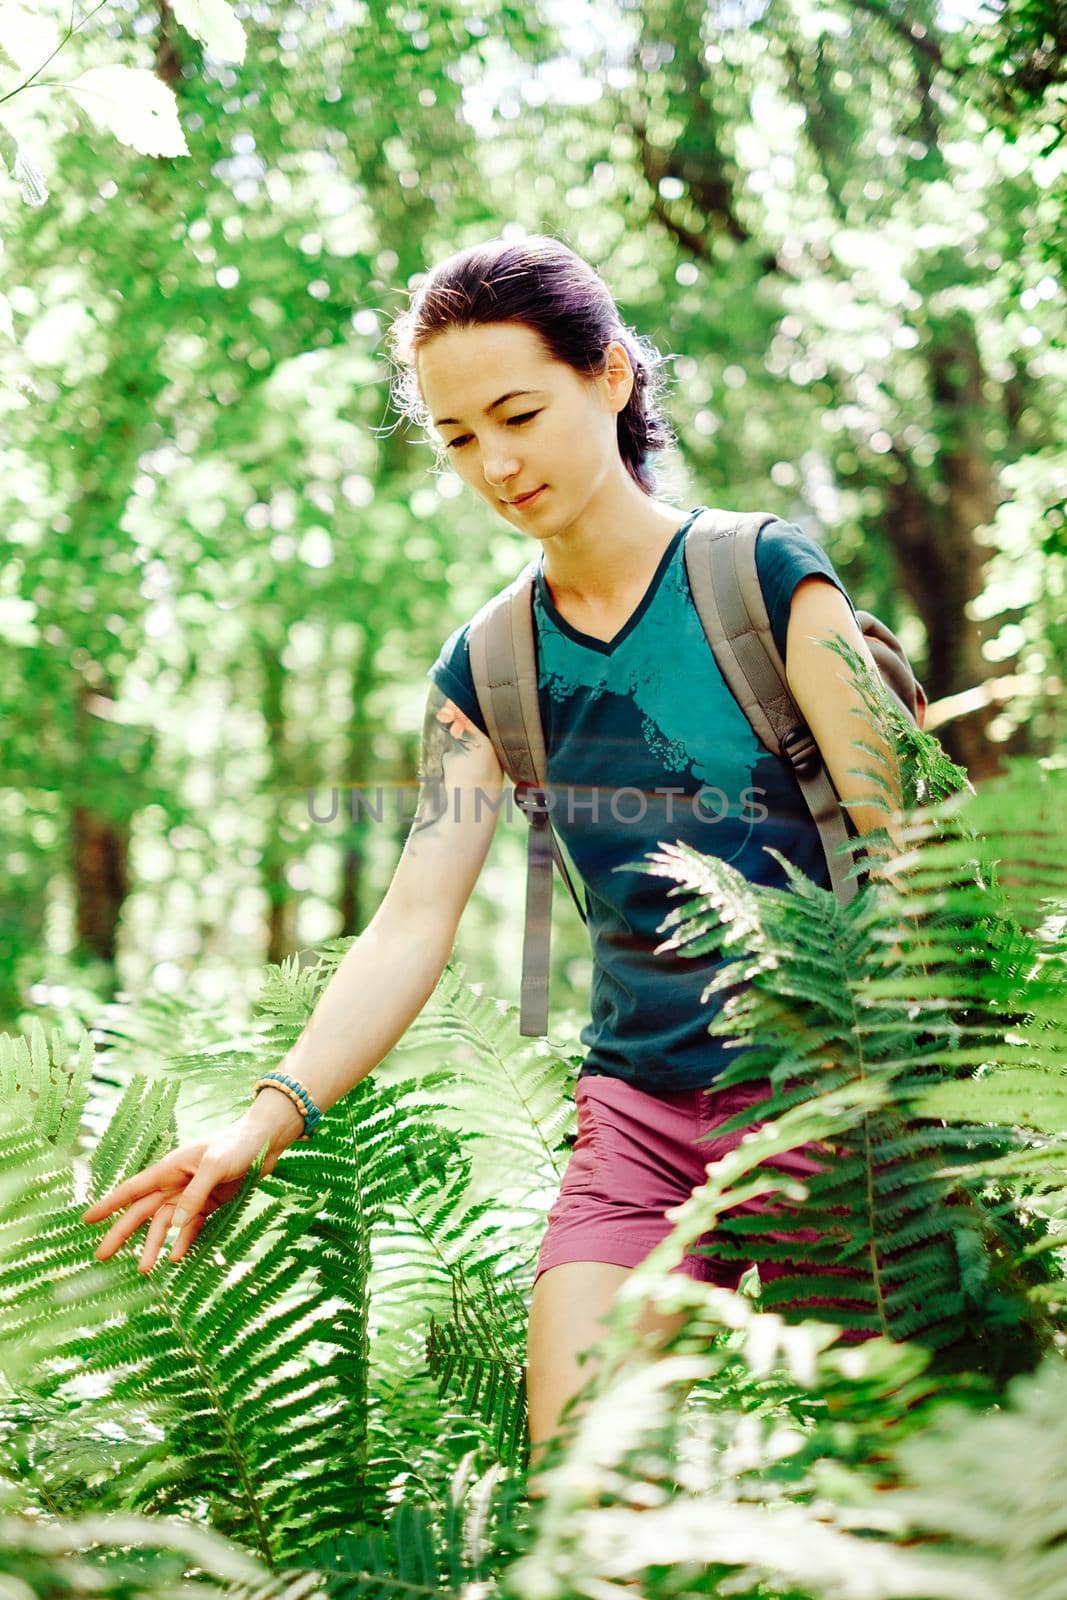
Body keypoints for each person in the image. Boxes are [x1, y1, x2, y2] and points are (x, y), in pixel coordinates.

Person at [82, 233, 902, 1499]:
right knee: (579, 1496)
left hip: (830, 1106)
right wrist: (263, 1118)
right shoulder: (489, 666)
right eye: (459, 437)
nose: (496, 464)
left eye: (518, 413)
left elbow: (912, 858)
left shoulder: (762, 580)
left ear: (611, 379)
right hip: (638, 1122)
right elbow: (413, 921)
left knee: (902, 1503)